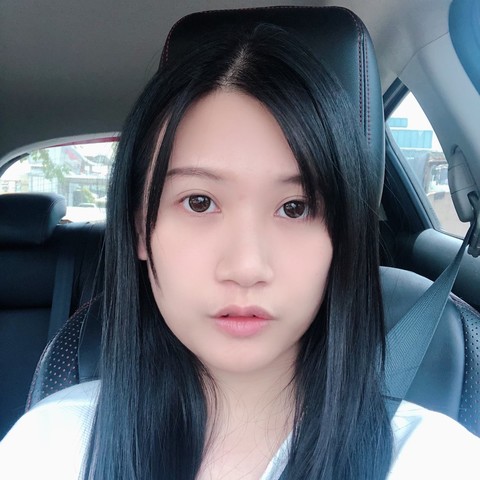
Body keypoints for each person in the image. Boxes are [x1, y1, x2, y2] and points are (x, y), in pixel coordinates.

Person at [1, 24, 479, 480]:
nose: (247, 267)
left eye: (295, 207)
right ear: (141, 231)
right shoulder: (49, 447)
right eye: (199, 202)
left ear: (341, 239)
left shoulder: (435, 459)